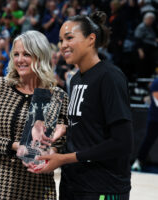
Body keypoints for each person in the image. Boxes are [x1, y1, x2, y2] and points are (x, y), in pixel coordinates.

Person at [28, 11, 133, 200]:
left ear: (91, 39)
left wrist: (64, 159)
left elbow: (122, 142)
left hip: (103, 187)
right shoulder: (75, 79)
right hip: (73, 185)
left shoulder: (109, 77)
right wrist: (64, 130)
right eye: (60, 40)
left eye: (69, 38)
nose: (63, 45)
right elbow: (90, 128)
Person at [0, 30, 69, 199]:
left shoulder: (57, 96)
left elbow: (61, 141)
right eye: (16, 54)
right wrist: (16, 146)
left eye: (26, 54)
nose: (19, 60)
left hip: (35, 185)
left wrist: (51, 150)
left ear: (40, 56)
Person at [132, 77, 158, 171]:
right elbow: (157, 101)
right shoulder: (156, 82)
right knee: (148, 141)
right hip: (155, 119)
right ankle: (138, 161)